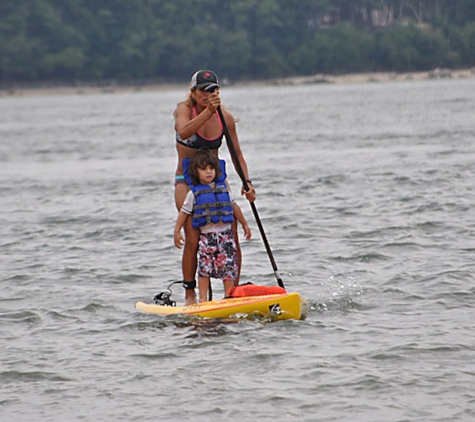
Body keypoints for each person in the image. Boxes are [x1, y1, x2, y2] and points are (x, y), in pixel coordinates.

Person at [173, 69, 256, 304]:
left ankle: (232, 292)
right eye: (204, 90)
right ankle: (191, 293)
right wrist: (208, 111)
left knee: (231, 235)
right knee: (194, 237)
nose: (209, 94)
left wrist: (246, 182)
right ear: (194, 92)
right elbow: (184, 130)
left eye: (214, 90)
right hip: (187, 182)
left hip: (217, 183)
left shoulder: (225, 117)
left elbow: (236, 152)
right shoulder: (184, 110)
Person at [174, 149, 252, 302]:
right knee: (205, 270)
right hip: (207, 238)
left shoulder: (224, 190)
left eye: (211, 168)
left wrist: (244, 224)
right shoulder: (193, 194)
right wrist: (177, 231)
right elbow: (183, 213)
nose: (208, 172)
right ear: (196, 173)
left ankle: (229, 296)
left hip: (225, 237)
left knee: (228, 268)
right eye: (203, 169)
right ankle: (203, 300)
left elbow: (235, 207)